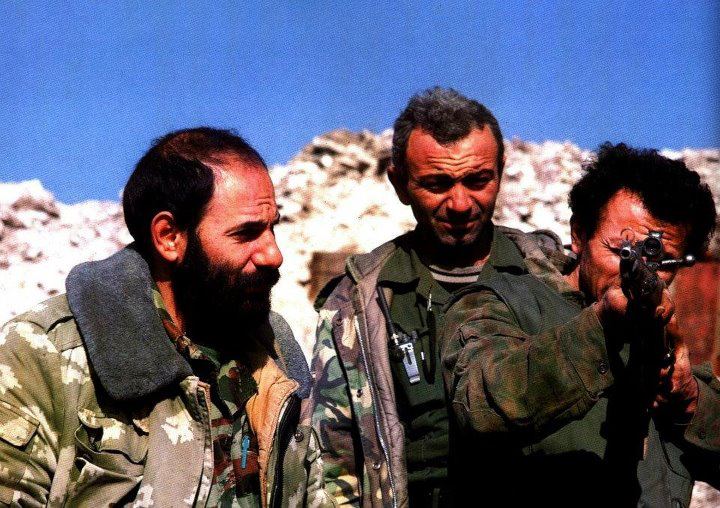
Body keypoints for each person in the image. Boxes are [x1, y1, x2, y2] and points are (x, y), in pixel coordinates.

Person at [0, 127, 321, 507]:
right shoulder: (41, 355)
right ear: (169, 237)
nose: (273, 254)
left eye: (272, 228)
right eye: (246, 233)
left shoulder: (275, 356)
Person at [307, 87, 568, 507]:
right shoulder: (358, 303)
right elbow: (334, 461)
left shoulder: (555, 276)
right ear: (400, 184)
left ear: (501, 172)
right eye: (437, 184)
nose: (460, 204)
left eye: (478, 181)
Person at [441, 143, 719, 506]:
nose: (643, 270)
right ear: (578, 235)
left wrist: (689, 401)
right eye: (620, 251)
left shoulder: (665, 339)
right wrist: (601, 326)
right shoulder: (499, 303)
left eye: (664, 262)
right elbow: (482, 406)